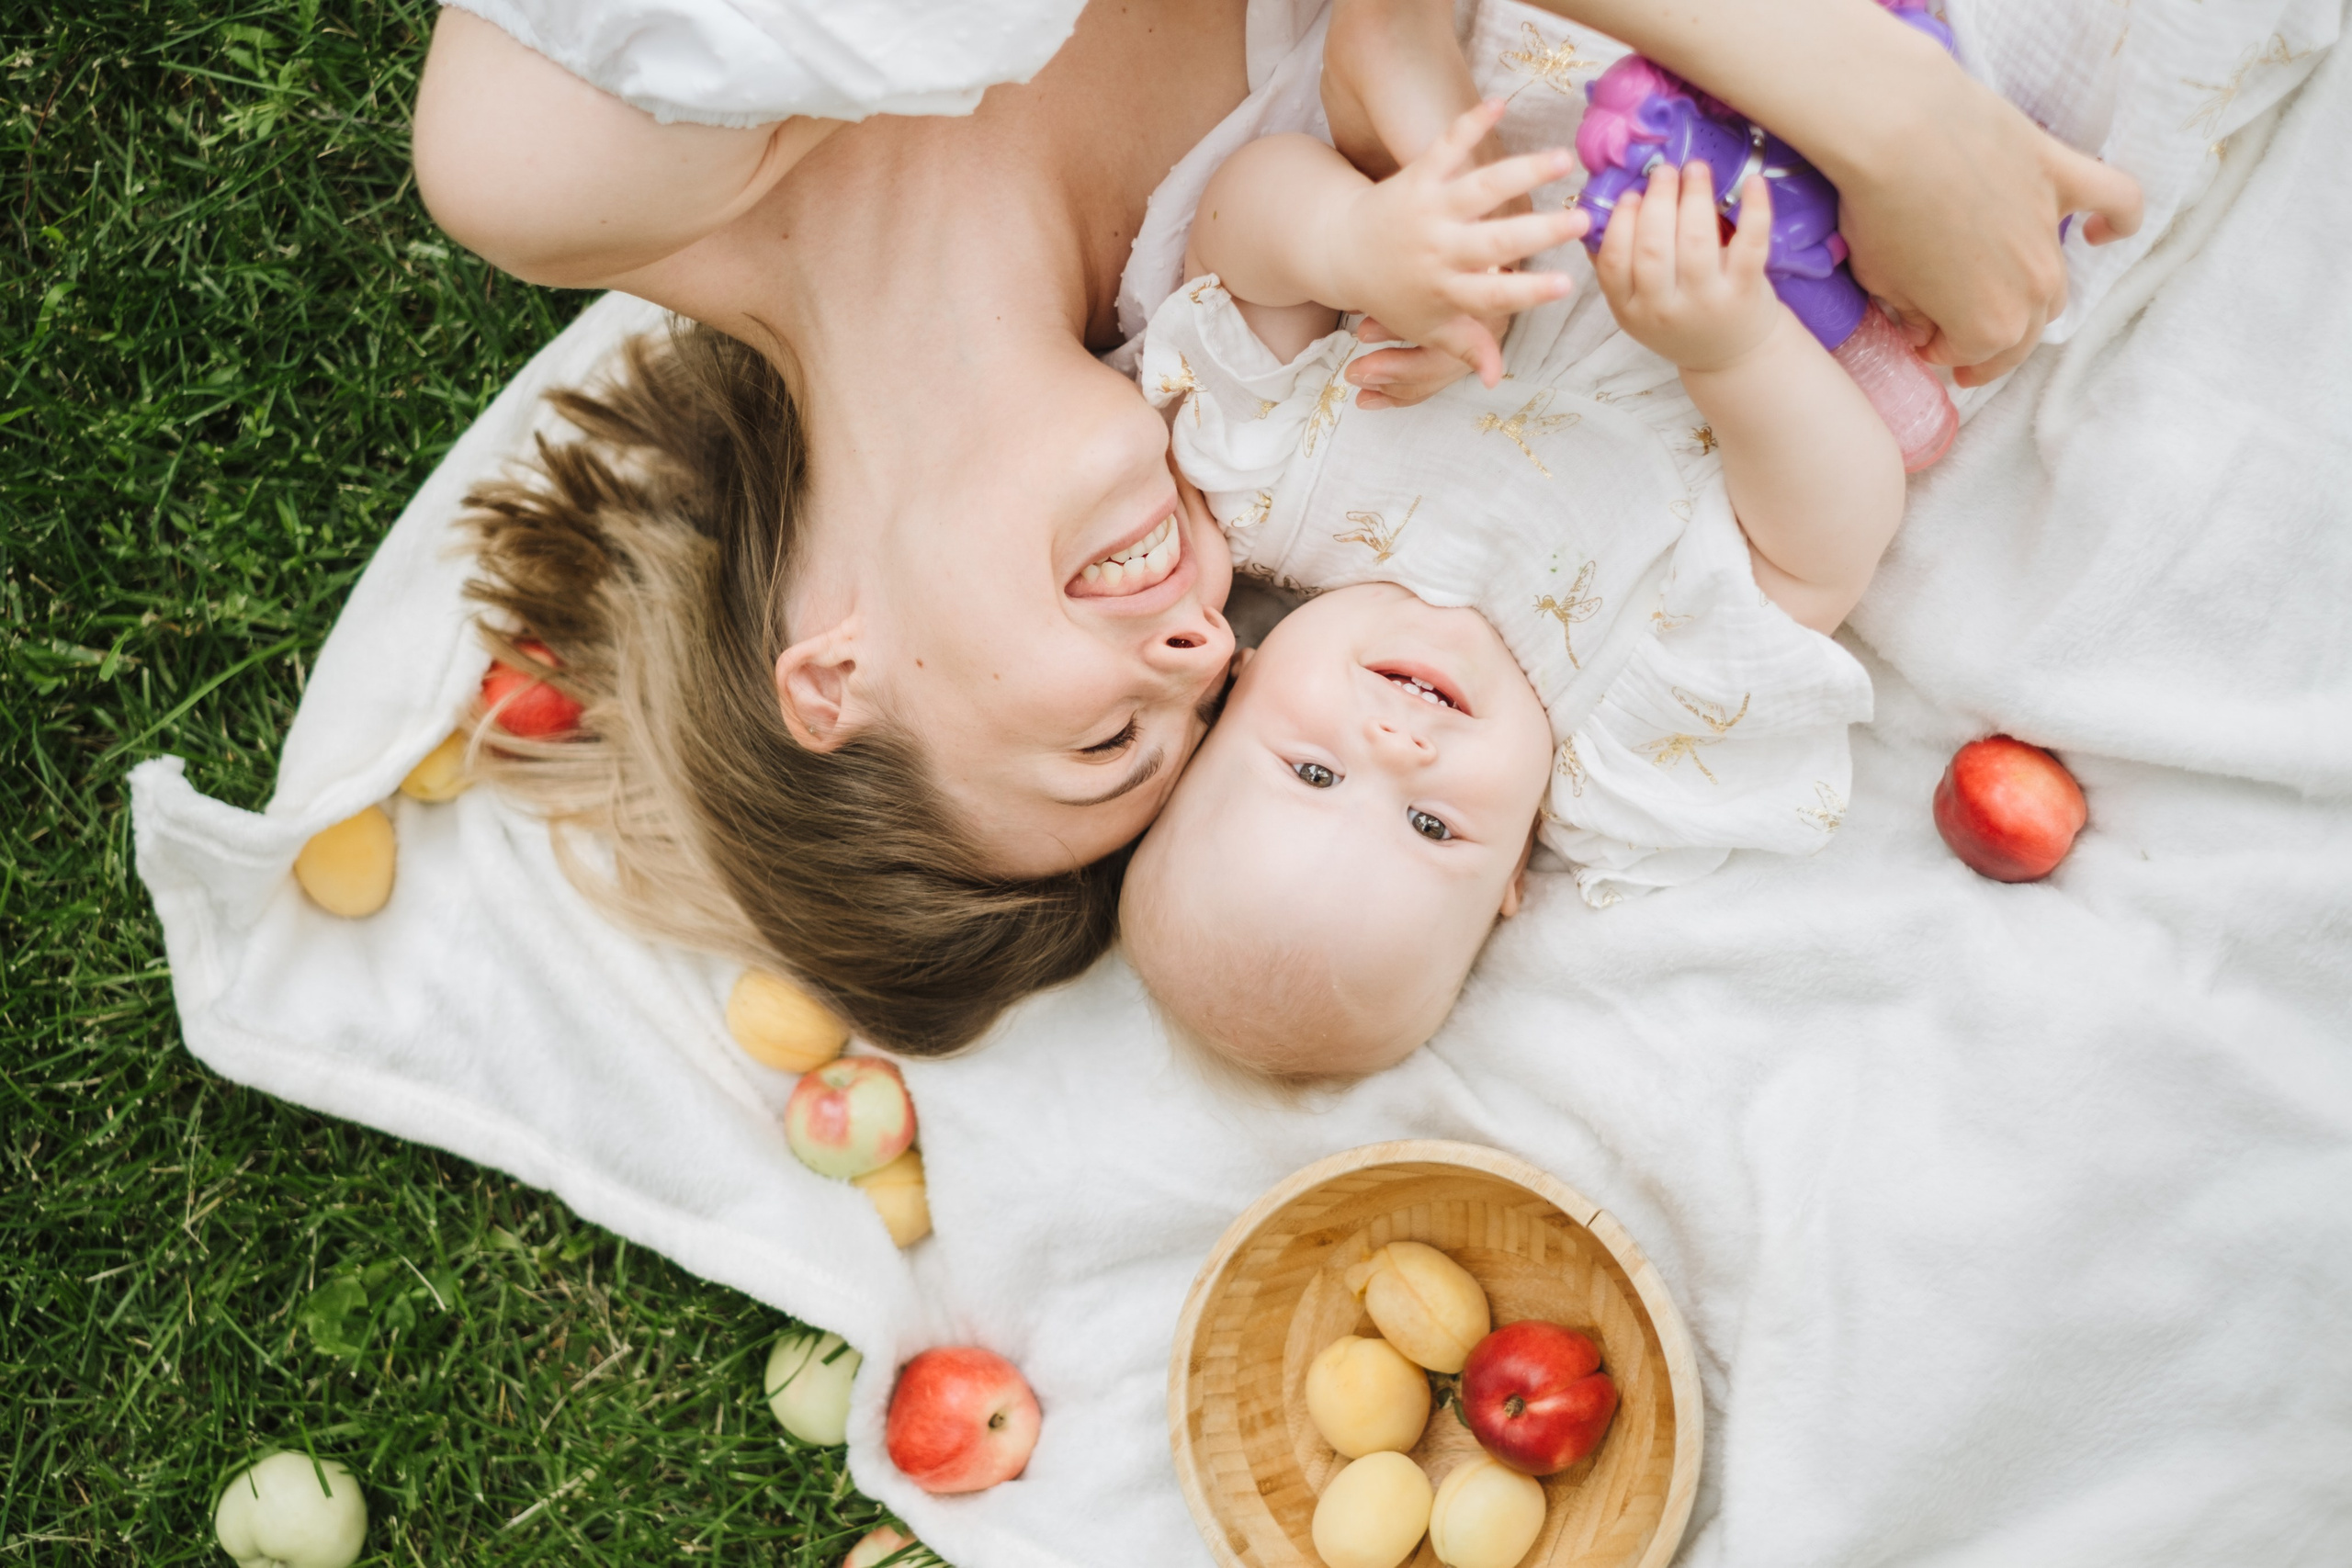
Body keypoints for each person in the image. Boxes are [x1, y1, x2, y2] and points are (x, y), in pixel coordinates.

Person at [409, 0, 2140, 1054]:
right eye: (1208, 708)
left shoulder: (555, 170)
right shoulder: (1248, 280)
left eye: (1108, 736)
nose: (1199, 641)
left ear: (832, 676)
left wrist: (1869, 101)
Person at [1120, 101, 1904, 1078]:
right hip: (1801, 211)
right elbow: (1835, 538)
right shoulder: (1637, 720)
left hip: (1564, 98)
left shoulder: (1265, 484)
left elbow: (1242, 217)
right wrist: (1738, 352)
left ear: (1231, 687)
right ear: (1511, 876)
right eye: (1430, 825)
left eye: (1314, 773)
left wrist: (1347, 244)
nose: (1398, 749)